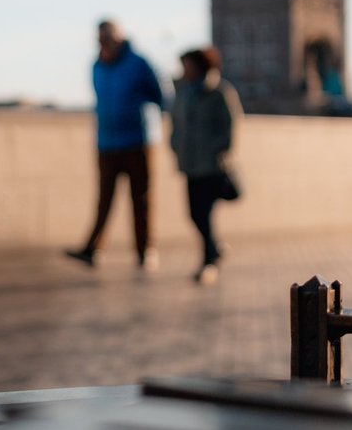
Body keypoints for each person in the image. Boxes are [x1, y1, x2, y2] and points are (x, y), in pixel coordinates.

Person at [64, 19, 165, 271]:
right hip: (107, 143)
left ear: (119, 37)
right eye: (100, 39)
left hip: (137, 142)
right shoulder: (96, 66)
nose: (103, 43)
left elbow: (162, 96)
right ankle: (93, 248)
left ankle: (145, 250)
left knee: (140, 199)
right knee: (104, 199)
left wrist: (143, 118)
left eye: (108, 38)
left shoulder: (139, 63)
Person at [170, 45, 243, 285]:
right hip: (190, 163)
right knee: (194, 214)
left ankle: (208, 260)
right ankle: (214, 250)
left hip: (211, 165)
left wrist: (217, 148)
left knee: (204, 214)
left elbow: (230, 125)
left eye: (188, 66)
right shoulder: (183, 92)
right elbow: (176, 123)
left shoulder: (219, 91)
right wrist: (175, 145)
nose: (184, 70)